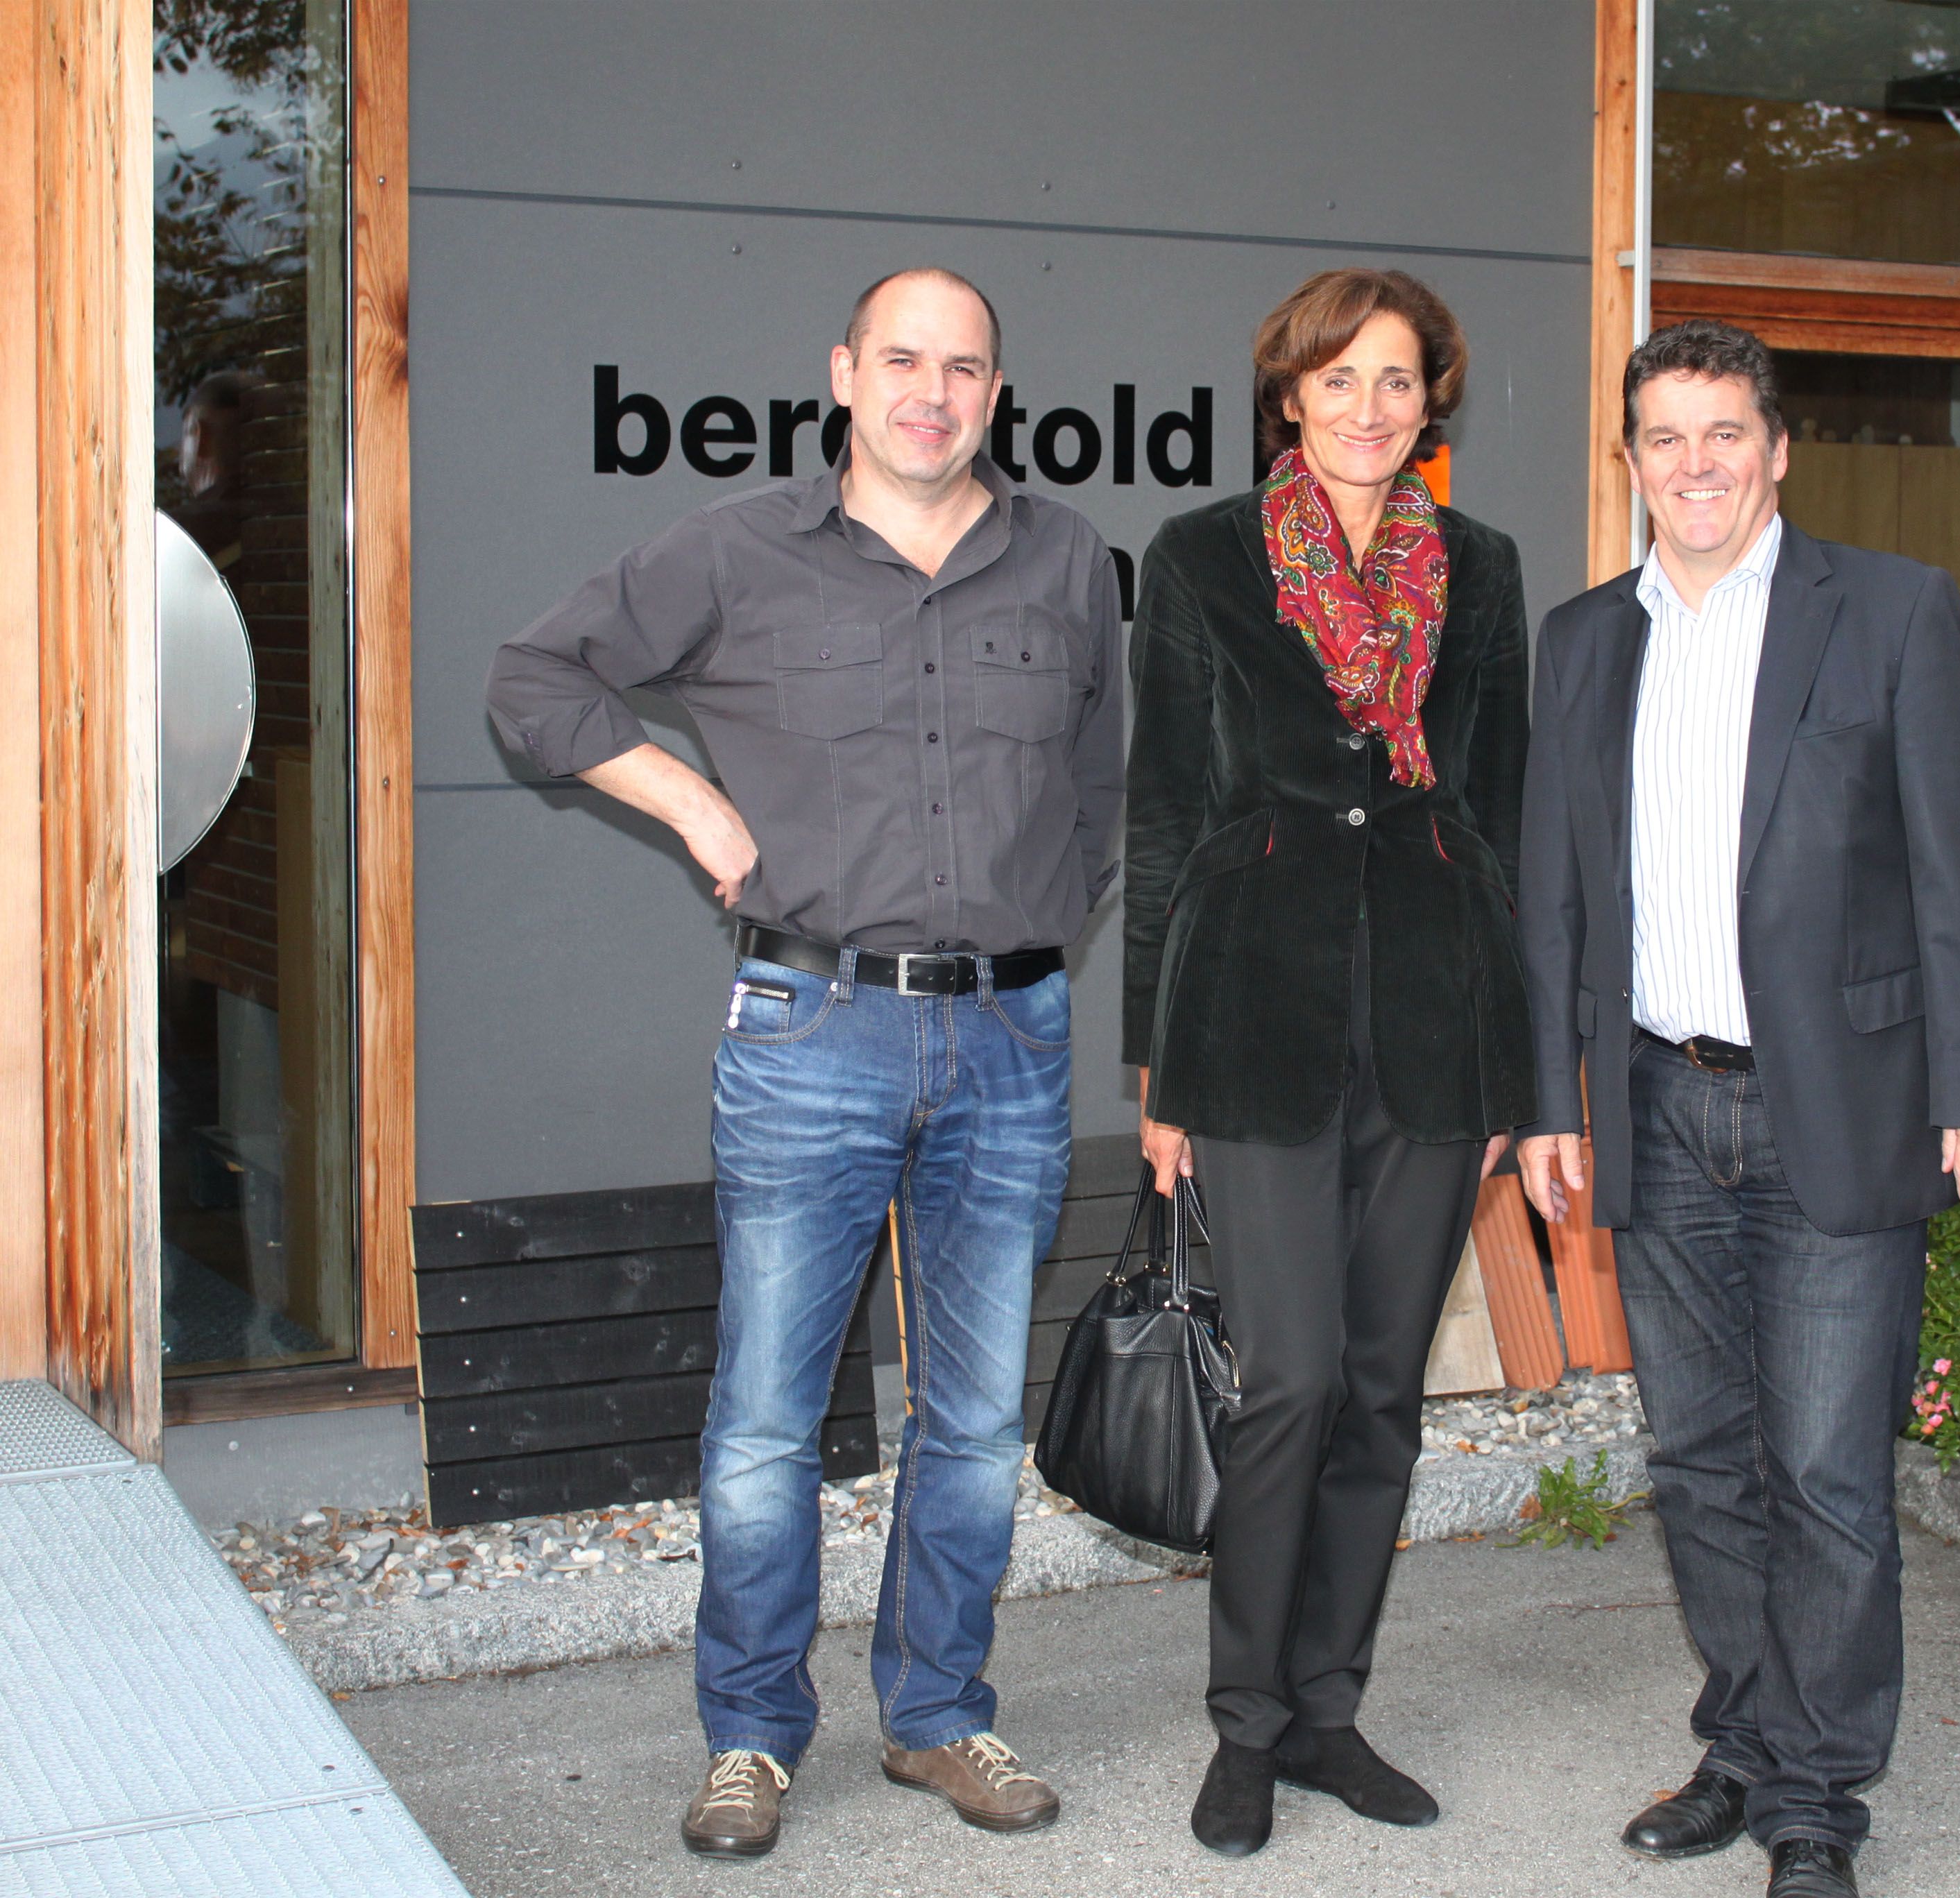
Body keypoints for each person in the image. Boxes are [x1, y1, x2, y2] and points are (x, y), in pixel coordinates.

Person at [486, 267, 1121, 1858]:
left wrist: (1038, 930)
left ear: (996, 392)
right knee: (768, 1419)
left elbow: (1107, 786)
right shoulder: (735, 550)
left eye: (962, 367)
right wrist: (694, 804)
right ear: (844, 373)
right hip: (813, 1031)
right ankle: (751, 1736)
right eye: (902, 359)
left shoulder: (1066, 558)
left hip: (1012, 1038)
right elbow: (532, 682)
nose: (931, 392)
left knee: (973, 1418)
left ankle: (939, 1715)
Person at [1514, 318, 1960, 1898]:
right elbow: (1552, 899)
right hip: (1655, 1102)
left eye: (1724, 432)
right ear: (1631, 460)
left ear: (1778, 449)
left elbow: (1958, 867)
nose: (1696, 466)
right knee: (1698, 1460)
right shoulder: (1584, 639)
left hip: (1843, 1104)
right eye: (1665, 438)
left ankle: (1816, 1794)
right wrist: (1548, 1103)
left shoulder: (1889, 610)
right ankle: (1742, 1740)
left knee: (1824, 1471)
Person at [1123, 267, 1535, 1858]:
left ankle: (1326, 1712)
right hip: (1250, 1013)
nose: (1371, 407)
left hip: (1434, 1020)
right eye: (1340, 378)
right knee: (1290, 1379)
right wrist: (1155, 1068)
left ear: (1433, 404)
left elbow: (1497, 816)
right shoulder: (1203, 556)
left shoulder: (1479, 570)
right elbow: (1164, 812)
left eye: (1399, 380)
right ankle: (1244, 1723)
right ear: (1290, 394)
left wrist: (1509, 1067)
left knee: (1381, 1390)